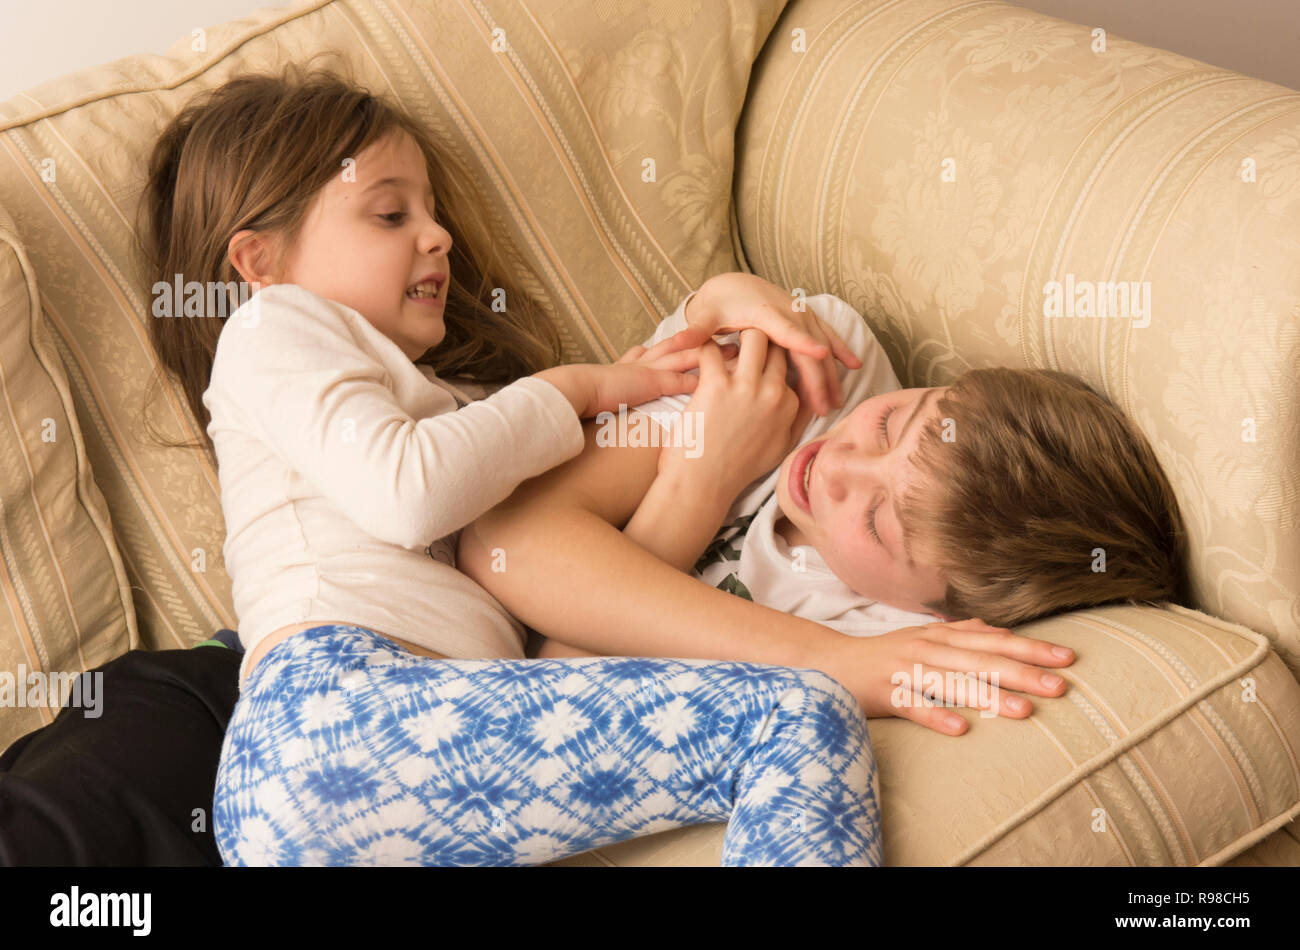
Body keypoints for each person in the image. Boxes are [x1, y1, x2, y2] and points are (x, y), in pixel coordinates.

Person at [141, 61, 1032, 868]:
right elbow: (408, 494)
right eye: (390, 213)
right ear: (260, 262)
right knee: (798, 716)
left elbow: (622, 459)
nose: (439, 236)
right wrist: (568, 389)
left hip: (404, 757)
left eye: (434, 211)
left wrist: (705, 308)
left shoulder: (446, 408)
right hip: (330, 717)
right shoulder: (272, 329)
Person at [459, 282, 1191, 740]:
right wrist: (705, 482)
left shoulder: (881, 630)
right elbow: (500, 534)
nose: (837, 466)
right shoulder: (819, 374)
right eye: (890, 425)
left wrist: (690, 482)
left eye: (878, 523)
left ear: (936, 616)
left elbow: (550, 682)